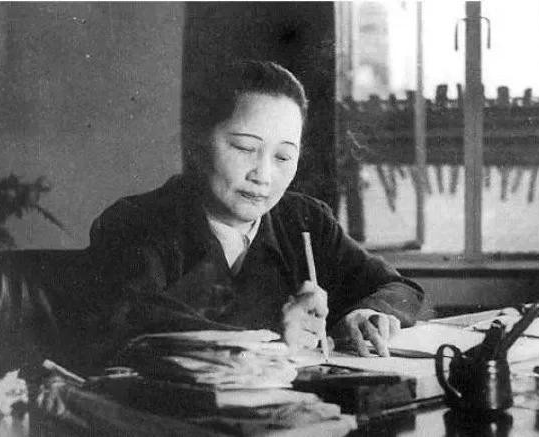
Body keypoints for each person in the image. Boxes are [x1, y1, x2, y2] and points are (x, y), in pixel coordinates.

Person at [86, 60, 424, 362]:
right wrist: (270, 335)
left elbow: (400, 289)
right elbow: (130, 317)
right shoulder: (137, 221)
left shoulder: (305, 220)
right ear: (197, 145)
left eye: (283, 157)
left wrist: (368, 314)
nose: (263, 175)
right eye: (245, 148)